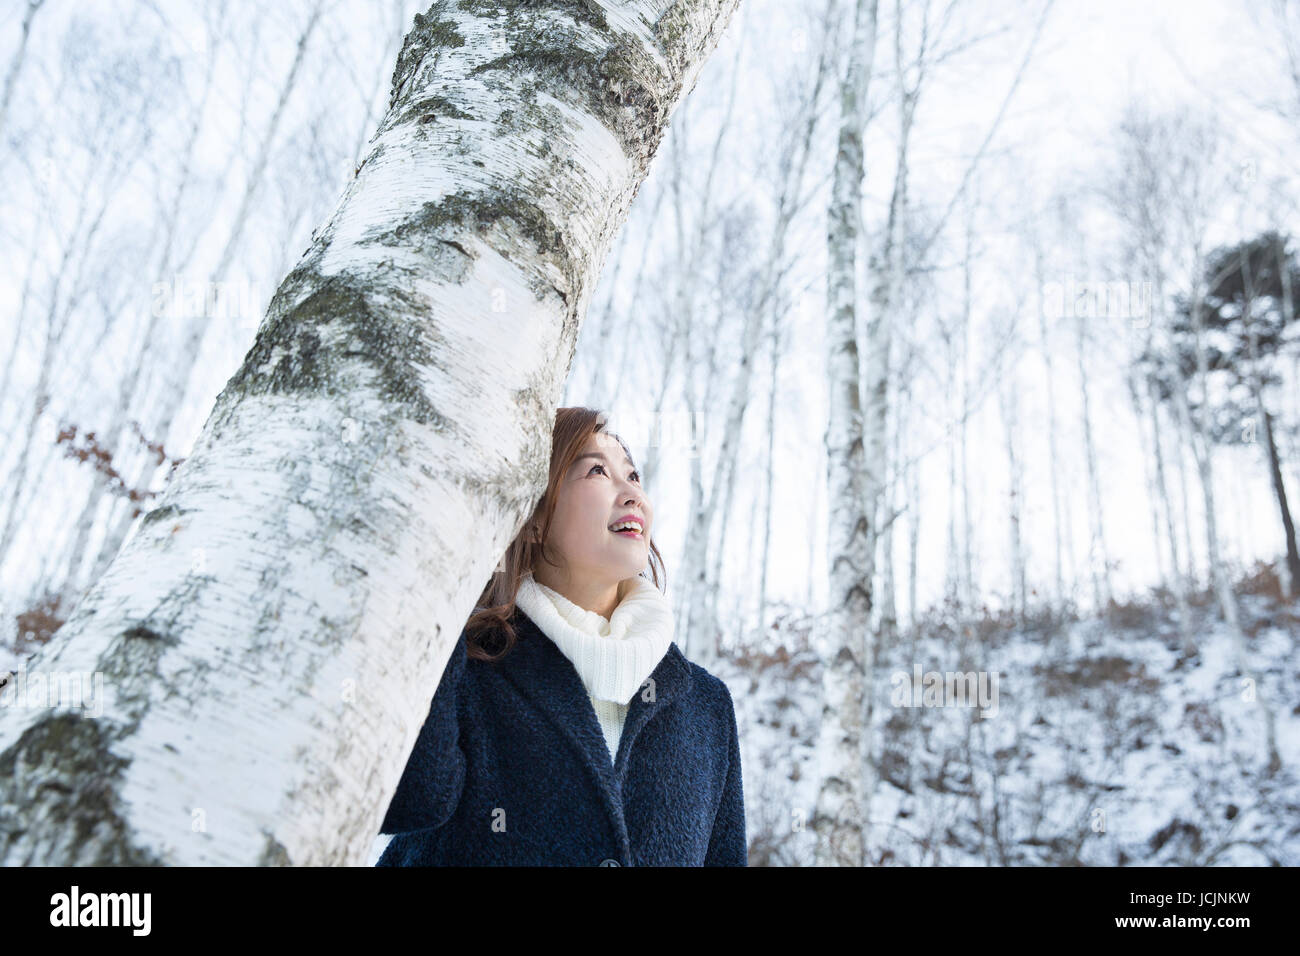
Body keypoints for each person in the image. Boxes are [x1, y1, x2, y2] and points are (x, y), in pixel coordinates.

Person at [373, 406, 746, 866]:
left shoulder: (705, 706)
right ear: (532, 516)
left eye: (634, 475)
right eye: (597, 470)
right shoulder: (466, 666)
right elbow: (404, 801)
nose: (632, 493)